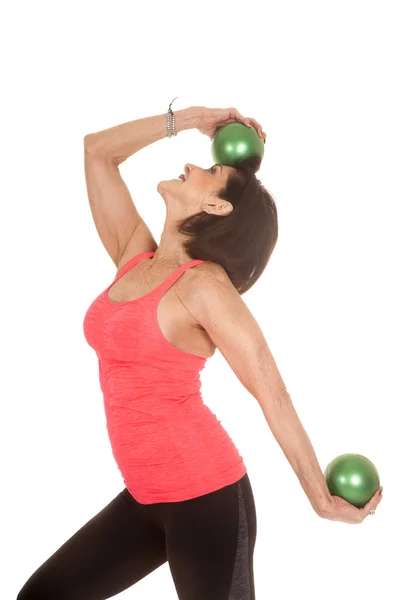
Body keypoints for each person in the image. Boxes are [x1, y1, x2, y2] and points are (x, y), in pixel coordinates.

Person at [17, 103, 383, 600]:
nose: (191, 165)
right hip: (145, 496)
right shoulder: (135, 256)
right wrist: (192, 119)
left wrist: (319, 496)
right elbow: (97, 151)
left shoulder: (204, 286)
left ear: (216, 208)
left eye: (209, 171)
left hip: (206, 498)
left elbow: (271, 393)